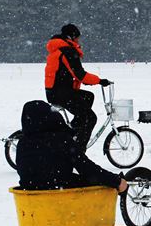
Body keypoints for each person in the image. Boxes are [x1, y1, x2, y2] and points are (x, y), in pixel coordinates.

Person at [16, 100, 127, 192]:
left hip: (30, 198)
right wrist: (116, 181)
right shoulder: (62, 140)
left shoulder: (22, 144)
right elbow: (88, 169)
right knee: (98, 183)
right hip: (60, 195)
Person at [44, 24, 111, 152]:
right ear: (72, 37)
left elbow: (71, 73)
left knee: (88, 97)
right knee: (90, 118)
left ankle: (72, 132)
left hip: (56, 91)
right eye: (77, 38)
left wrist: (87, 81)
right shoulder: (67, 51)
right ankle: (78, 151)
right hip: (61, 92)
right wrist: (99, 81)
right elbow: (80, 74)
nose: (78, 41)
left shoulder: (60, 49)